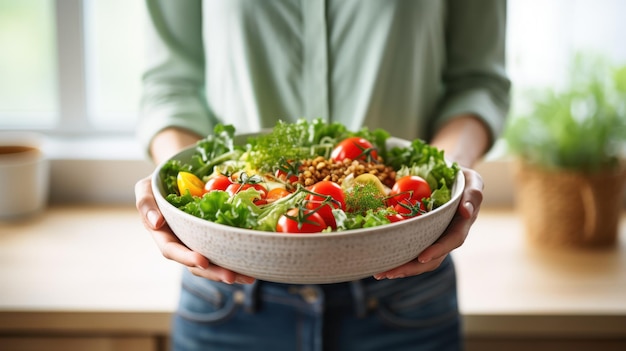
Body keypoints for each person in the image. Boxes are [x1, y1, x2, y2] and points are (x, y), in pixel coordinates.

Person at [134, 1, 510, 350]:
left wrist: (449, 173)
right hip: (225, 291)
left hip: (407, 285)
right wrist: (179, 189)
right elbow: (170, 86)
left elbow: (477, 83)